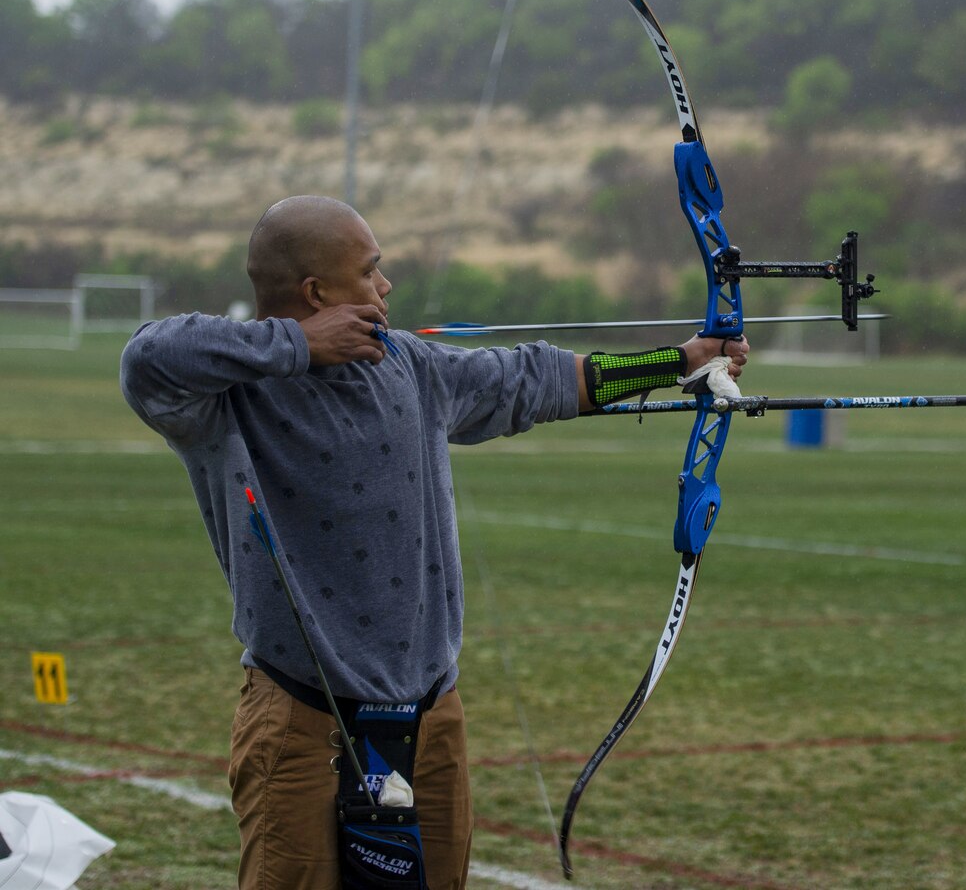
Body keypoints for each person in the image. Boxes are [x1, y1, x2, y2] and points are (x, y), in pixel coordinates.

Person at [120, 195, 746, 889]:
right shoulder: (227, 398)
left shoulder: (409, 366)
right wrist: (299, 346)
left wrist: (679, 360)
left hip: (430, 720)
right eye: (370, 271)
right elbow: (146, 358)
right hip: (303, 723)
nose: (386, 287)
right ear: (317, 293)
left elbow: (530, 380)